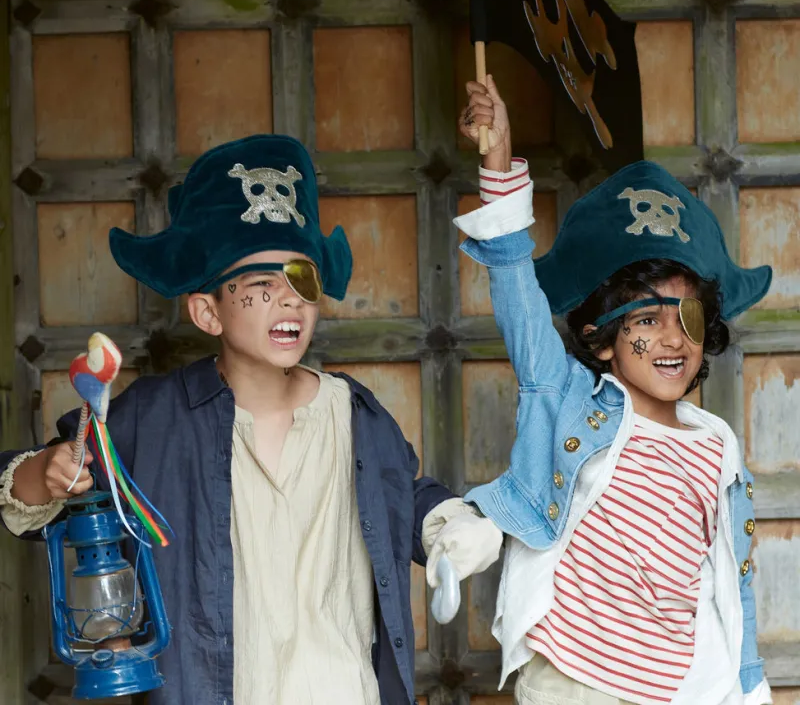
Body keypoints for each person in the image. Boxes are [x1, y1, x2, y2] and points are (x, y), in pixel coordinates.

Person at [0, 134, 502, 705]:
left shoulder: (352, 412)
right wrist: (47, 473)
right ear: (207, 312)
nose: (289, 299)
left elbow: (401, 498)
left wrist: (451, 524)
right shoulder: (154, 417)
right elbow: (42, 491)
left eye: (302, 280)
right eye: (263, 283)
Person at [437, 77, 772, 705]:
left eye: (689, 317)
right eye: (646, 319)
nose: (673, 337)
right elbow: (516, 289)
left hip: (676, 691)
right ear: (600, 340)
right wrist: (498, 164)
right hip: (572, 681)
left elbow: (734, 582)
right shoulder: (568, 399)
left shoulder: (717, 450)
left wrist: (750, 686)